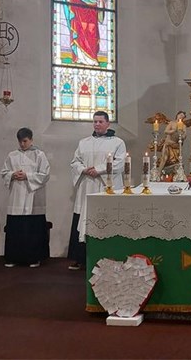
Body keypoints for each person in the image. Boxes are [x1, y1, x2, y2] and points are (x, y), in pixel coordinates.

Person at [69, 110, 126, 270]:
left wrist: (99, 170)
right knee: (82, 218)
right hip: (87, 186)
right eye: (95, 121)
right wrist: (84, 169)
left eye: (100, 121)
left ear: (108, 123)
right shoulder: (83, 143)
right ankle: (80, 257)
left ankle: (107, 256)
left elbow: (120, 163)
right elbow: (75, 162)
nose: (97, 124)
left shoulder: (118, 142)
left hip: (105, 185)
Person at [1, 128, 51, 268]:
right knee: (15, 229)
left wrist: (27, 176)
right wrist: (12, 174)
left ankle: (34, 258)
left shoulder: (39, 155)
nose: (22, 144)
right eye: (20, 141)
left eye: (25, 141)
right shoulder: (12, 155)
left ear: (31, 140)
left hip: (32, 196)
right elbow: (4, 172)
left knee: (33, 229)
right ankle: (13, 258)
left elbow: (45, 175)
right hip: (16, 197)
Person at [63, 0, 103, 66]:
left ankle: (92, 59)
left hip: (91, 14)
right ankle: (80, 58)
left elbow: (100, 0)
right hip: (79, 14)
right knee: (80, 33)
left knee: (92, 34)